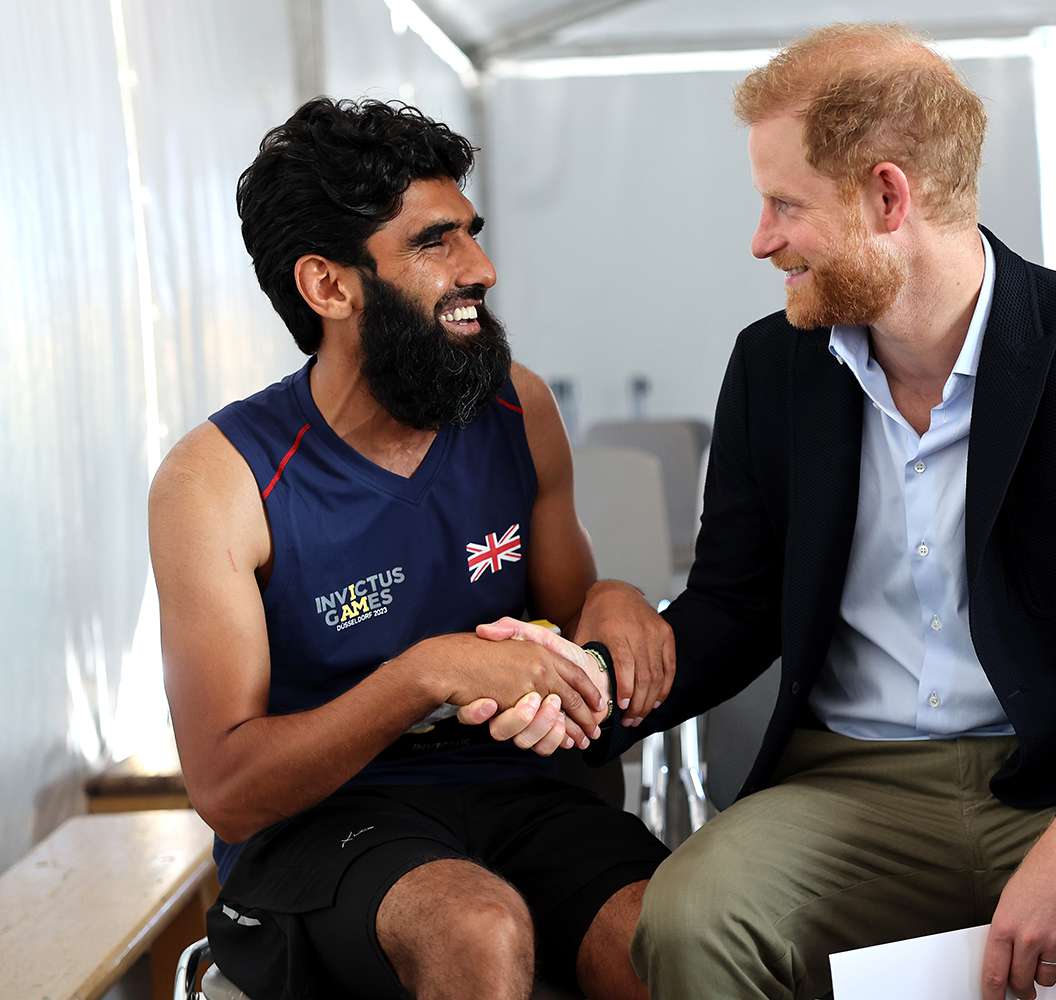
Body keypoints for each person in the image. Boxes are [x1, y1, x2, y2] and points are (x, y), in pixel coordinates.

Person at [583, 23, 1056, 1000]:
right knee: (689, 917)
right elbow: (733, 608)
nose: (761, 238)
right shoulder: (772, 365)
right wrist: (591, 693)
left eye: (784, 203)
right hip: (848, 786)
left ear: (887, 195)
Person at [147, 98, 672, 1000]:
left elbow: (569, 619)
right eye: (435, 243)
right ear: (330, 287)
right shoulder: (217, 480)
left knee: (663, 938)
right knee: (476, 929)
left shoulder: (518, 407)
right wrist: (427, 674)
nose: (482, 267)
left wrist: (615, 600)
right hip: (323, 824)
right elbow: (228, 789)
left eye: (472, 232)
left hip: (519, 797)